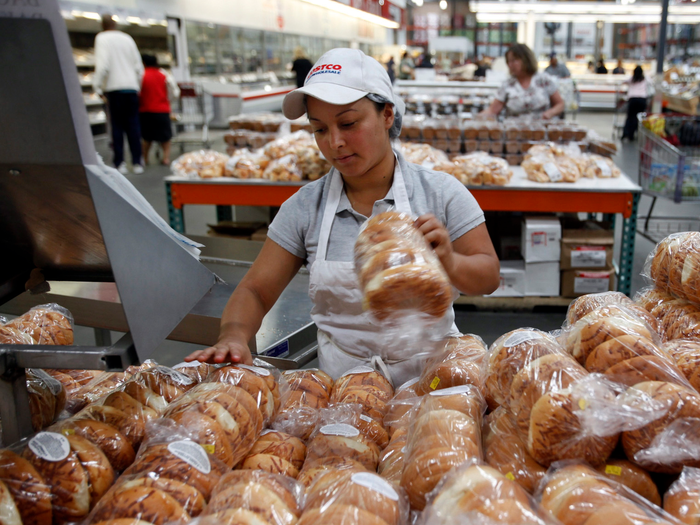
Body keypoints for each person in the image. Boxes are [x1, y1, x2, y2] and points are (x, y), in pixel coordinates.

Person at [185, 48, 500, 385]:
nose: (335, 142)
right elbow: (256, 291)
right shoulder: (306, 207)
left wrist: (450, 262)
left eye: (349, 123)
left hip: (435, 384)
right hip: (343, 391)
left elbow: (488, 276)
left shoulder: (440, 192)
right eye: (319, 130)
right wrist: (233, 335)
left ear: (387, 115)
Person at [93, 13, 145, 174]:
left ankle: (120, 162)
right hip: (131, 88)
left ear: (102, 25)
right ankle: (137, 162)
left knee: (116, 128)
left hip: (114, 89)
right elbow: (139, 69)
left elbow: (103, 65)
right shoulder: (127, 38)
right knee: (133, 126)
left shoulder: (102, 38)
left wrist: (97, 88)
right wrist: (137, 87)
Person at [480, 43, 565, 119]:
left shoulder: (544, 80)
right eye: (508, 62)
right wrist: (474, 119)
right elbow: (492, 110)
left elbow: (560, 104)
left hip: (541, 132)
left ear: (526, 59)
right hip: (514, 133)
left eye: (514, 60)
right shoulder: (508, 84)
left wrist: (550, 113)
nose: (510, 65)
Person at [139, 54, 180, 166]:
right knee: (165, 136)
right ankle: (166, 158)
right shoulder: (164, 74)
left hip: (145, 110)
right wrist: (168, 100)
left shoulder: (141, 75)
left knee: (147, 137)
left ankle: (145, 158)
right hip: (162, 109)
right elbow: (175, 92)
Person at [622, 65, 653, 141]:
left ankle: (628, 134)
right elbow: (652, 83)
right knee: (639, 117)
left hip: (632, 99)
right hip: (642, 100)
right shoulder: (645, 78)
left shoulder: (632, 79)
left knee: (630, 117)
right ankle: (637, 133)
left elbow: (623, 82)